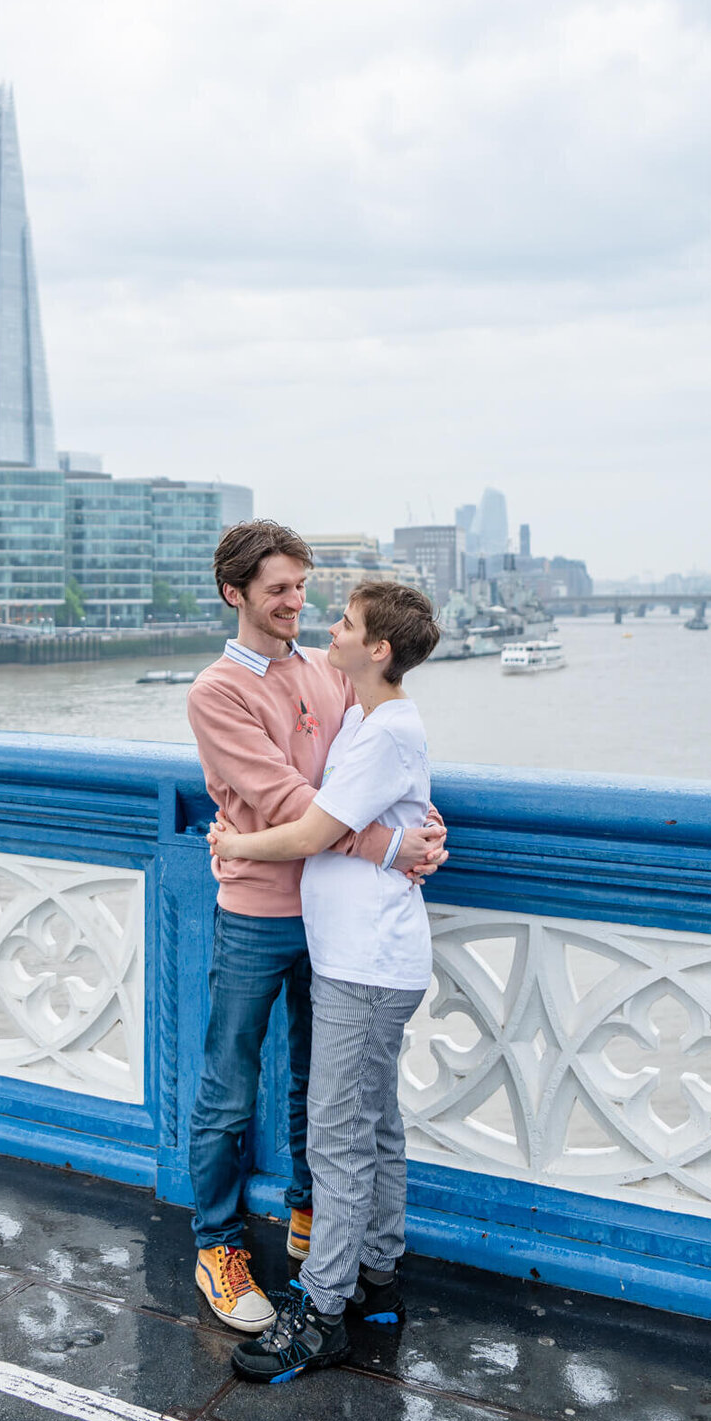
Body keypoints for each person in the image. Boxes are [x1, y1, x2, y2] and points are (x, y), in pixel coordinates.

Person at [186, 524, 446, 1333]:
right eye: (278, 589)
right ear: (236, 594)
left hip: (337, 921)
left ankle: (312, 1217)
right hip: (260, 909)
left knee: (318, 1086)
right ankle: (217, 1244)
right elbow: (287, 802)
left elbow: (359, 770)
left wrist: (416, 814)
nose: (297, 603)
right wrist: (389, 843)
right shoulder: (216, 693)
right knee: (229, 1086)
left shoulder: (327, 672)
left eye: (303, 587)